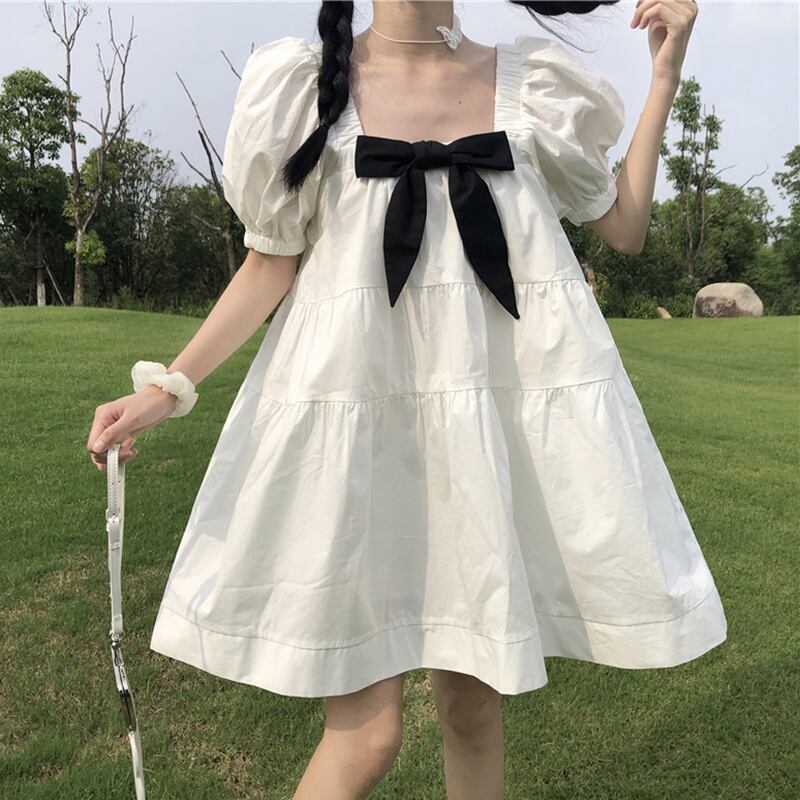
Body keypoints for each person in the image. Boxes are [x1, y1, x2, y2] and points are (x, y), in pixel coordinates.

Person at [87, 1, 725, 798]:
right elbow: (268, 264)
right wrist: (166, 389)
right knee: (366, 736)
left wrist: (665, 75)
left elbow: (624, 227)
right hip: (358, 433)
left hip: (485, 434)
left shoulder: (534, 87)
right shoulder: (307, 88)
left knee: (472, 707)